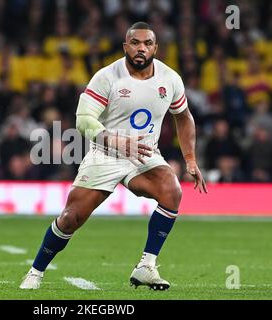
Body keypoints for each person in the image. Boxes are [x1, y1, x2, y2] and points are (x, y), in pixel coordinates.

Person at [20, 22, 207, 291]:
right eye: (135, 43)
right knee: (71, 218)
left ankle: (146, 266)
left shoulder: (170, 79)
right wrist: (114, 140)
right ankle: (36, 271)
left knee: (172, 189)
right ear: (125, 47)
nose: (141, 48)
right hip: (106, 153)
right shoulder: (106, 77)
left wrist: (190, 159)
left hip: (144, 154)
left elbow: (184, 117)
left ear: (155, 47)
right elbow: (84, 120)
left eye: (147, 43)